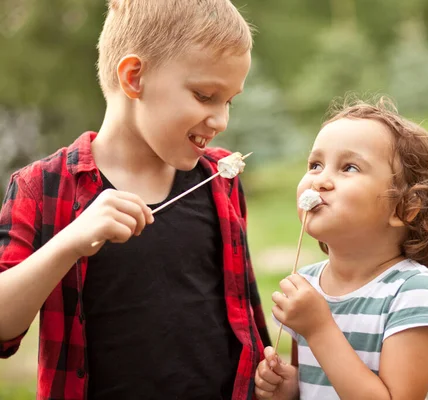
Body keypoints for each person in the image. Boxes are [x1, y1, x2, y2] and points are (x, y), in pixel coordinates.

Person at [0, 1, 271, 399]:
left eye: (228, 101)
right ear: (134, 78)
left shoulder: (220, 179)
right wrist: (70, 242)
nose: (220, 120)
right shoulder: (42, 186)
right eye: (205, 95)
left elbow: (243, 316)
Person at [254, 96, 428, 400]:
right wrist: (291, 387)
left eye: (349, 167)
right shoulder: (308, 285)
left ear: (405, 207)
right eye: (315, 164)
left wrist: (319, 330)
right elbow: (323, 383)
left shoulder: (413, 293)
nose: (320, 180)